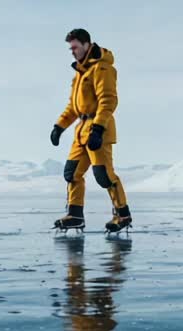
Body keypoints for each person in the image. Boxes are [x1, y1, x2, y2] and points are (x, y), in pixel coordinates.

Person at [50, 28, 131, 233]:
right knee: (72, 173)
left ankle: (123, 215)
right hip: (81, 131)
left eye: (75, 47)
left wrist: (98, 128)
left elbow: (108, 100)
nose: (72, 51)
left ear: (87, 45)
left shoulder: (102, 69)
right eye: (71, 48)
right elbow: (73, 107)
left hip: (98, 130)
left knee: (103, 175)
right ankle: (75, 215)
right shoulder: (80, 72)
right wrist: (59, 126)